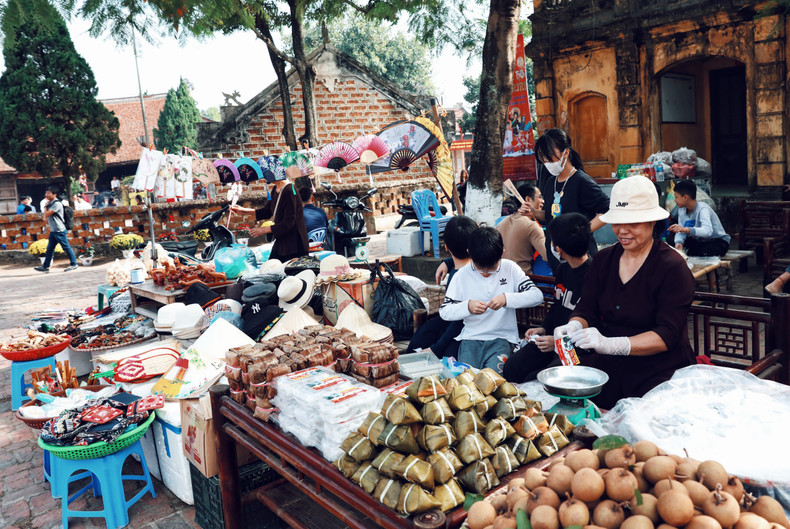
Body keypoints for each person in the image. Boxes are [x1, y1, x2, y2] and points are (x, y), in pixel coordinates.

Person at [553, 176, 695, 409]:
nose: (623, 231)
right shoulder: (603, 259)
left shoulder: (672, 267)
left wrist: (612, 344)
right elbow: (586, 308)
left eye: (634, 223)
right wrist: (574, 325)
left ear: (652, 222)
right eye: (617, 223)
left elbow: (666, 334)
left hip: (660, 370)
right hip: (610, 366)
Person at [439, 227, 544, 373]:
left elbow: (537, 296)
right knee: (467, 380)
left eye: (492, 268)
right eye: (480, 269)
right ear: (469, 253)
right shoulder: (461, 275)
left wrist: (506, 299)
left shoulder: (510, 268)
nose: (486, 273)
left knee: (492, 379)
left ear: (502, 253)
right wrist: (467, 306)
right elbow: (445, 311)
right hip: (471, 338)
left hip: (502, 338)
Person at [503, 213, 593, 383]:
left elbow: (595, 325)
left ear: (558, 248)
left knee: (537, 381)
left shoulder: (594, 276)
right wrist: (543, 328)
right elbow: (557, 307)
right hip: (550, 339)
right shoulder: (562, 270)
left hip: (578, 349)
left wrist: (559, 343)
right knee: (513, 367)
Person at [532, 129, 609, 272]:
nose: (546, 163)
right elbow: (551, 215)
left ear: (566, 153)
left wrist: (581, 232)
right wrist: (533, 213)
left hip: (580, 259)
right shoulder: (550, 182)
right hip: (557, 259)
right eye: (543, 159)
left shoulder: (581, 181)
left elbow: (608, 210)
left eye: (550, 158)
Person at [408, 215, 478, 358]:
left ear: (446, 247)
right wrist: (448, 262)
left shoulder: (460, 278)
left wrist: (436, 349)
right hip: (451, 321)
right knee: (423, 336)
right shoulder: (479, 264)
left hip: (464, 329)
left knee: (442, 354)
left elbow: (459, 322)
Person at [230, 165, 308, 261]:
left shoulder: (289, 191)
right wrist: (243, 210)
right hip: (282, 241)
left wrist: (263, 230)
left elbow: (289, 223)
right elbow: (267, 211)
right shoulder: (275, 190)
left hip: (294, 244)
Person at [669, 180, 730, 257]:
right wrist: (679, 243)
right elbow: (680, 231)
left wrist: (687, 230)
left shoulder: (703, 209)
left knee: (700, 251)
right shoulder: (681, 210)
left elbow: (707, 231)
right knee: (671, 244)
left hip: (717, 241)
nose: (675, 199)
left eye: (676, 197)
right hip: (699, 241)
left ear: (685, 197)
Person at [496, 200, 548, 275]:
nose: (543, 201)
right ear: (528, 200)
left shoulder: (501, 223)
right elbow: (548, 256)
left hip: (501, 276)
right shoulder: (531, 226)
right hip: (523, 277)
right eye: (539, 197)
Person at [35, 185, 78, 273]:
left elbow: (46, 215)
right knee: (50, 249)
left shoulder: (57, 204)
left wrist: (45, 207)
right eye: (46, 193)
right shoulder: (51, 204)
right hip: (54, 230)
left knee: (66, 247)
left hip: (59, 230)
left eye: (48, 193)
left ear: (55, 194)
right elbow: (44, 218)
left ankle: (74, 264)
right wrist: (46, 207)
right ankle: (45, 266)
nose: (46, 195)